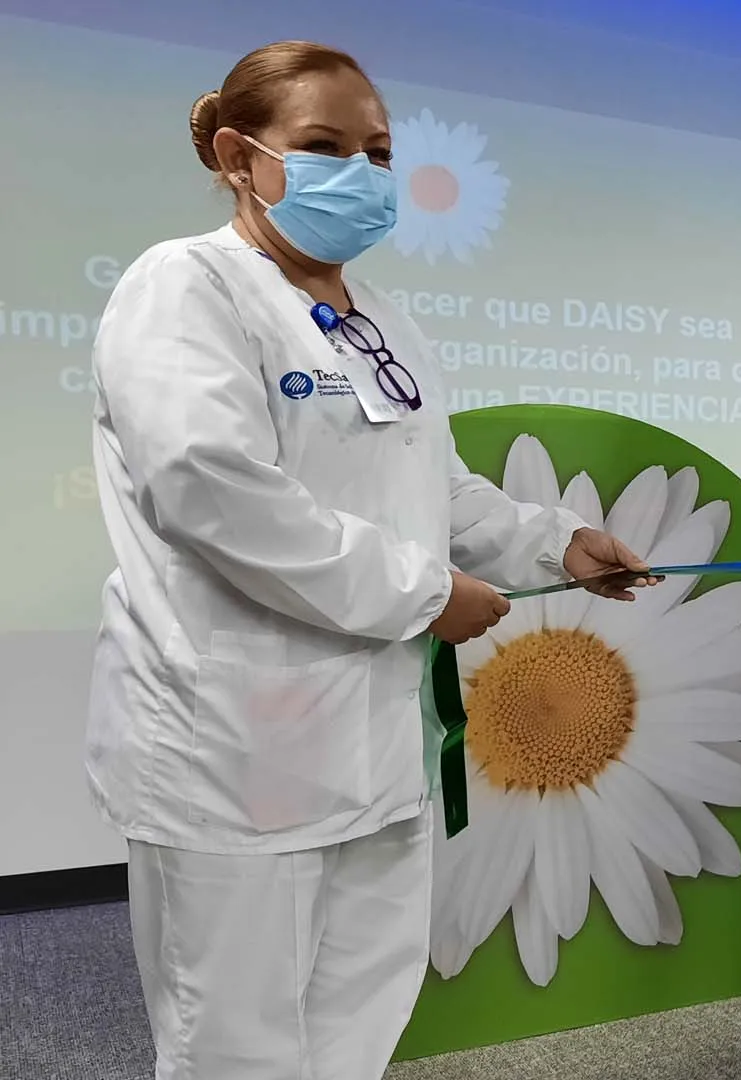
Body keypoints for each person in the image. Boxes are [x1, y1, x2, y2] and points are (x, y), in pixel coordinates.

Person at [86, 42, 656, 1079]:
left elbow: (427, 493)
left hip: (375, 750)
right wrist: (427, 593)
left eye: (379, 152)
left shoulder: (385, 321)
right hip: (231, 755)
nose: (362, 172)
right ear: (237, 156)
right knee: (235, 1049)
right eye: (324, 147)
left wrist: (553, 543)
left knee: (357, 1030)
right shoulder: (185, 287)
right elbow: (214, 491)